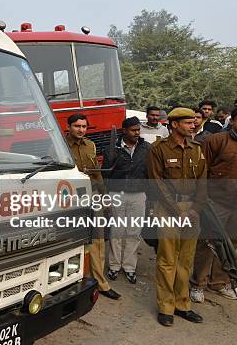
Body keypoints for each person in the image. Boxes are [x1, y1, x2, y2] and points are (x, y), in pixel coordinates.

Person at [148, 107, 206, 327]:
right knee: (167, 259)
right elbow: (156, 183)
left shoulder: (197, 149)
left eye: (194, 122)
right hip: (168, 208)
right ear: (174, 125)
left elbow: (203, 181)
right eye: (188, 122)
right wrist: (177, 211)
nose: (194, 125)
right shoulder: (158, 149)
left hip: (192, 209)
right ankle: (166, 307)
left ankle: (183, 305)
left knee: (186, 259)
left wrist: (195, 209)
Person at [190, 105, 237, 302]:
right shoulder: (216, 140)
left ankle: (219, 282)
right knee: (208, 242)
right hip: (216, 201)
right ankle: (197, 284)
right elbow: (202, 170)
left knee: (231, 243)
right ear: (232, 121)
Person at [65, 114, 121, 300]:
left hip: (93, 197)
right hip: (72, 200)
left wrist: (104, 197)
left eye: (84, 126)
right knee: (73, 241)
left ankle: (100, 282)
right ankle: (71, 281)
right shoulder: (59, 146)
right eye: (77, 126)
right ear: (69, 127)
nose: (81, 130)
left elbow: (97, 173)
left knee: (97, 241)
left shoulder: (91, 145)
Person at [103, 117, 151, 284]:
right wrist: (106, 196)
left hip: (138, 195)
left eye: (138, 130)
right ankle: (114, 266)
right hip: (117, 194)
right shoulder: (113, 148)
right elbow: (105, 174)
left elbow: (150, 173)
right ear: (125, 130)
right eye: (133, 130)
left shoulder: (146, 148)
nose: (137, 133)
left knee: (133, 231)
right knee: (116, 231)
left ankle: (129, 267)